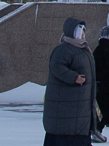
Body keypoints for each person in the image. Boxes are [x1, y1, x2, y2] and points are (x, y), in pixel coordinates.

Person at [43, 17, 96, 146]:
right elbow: (57, 67)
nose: (83, 34)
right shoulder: (64, 50)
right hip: (67, 108)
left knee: (78, 133)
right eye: (80, 31)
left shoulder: (82, 49)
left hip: (79, 106)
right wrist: (74, 78)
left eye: (84, 31)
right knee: (68, 136)